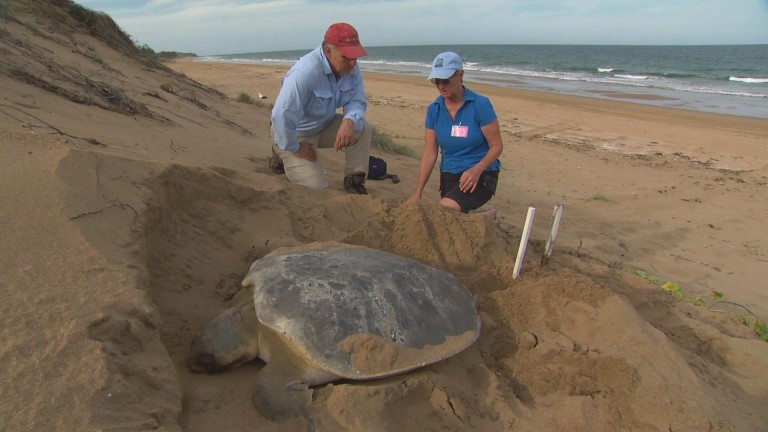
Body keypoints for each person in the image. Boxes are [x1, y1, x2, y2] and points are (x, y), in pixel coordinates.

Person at [269, 22, 372, 194]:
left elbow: (358, 100)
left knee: (362, 128)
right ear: (328, 51)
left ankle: (354, 180)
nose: (353, 62)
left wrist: (349, 120)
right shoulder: (304, 73)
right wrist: (295, 147)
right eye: (346, 57)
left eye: (356, 56)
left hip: (322, 125)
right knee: (317, 188)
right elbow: (281, 115)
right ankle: (281, 151)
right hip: (294, 133)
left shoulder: (351, 66)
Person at [408, 52, 503, 215]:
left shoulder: (480, 105)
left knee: (443, 211)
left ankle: (482, 216)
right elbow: (430, 153)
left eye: (445, 80)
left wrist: (477, 169)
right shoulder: (434, 110)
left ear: (460, 75)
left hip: (480, 175)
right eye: (436, 81)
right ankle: (484, 217)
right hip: (449, 175)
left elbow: (497, 146)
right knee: (452, 215)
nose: (440, 86)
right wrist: (418, 192)